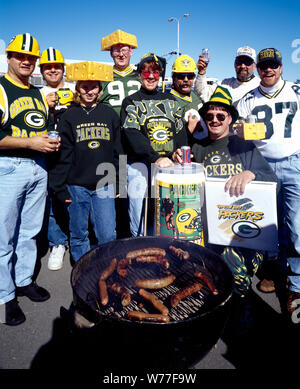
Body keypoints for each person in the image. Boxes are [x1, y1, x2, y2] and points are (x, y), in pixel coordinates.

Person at [173, 86, 279, 301]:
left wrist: (251, 173)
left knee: (232, 273)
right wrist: (176, 160)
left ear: (230, 118)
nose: (215, 120)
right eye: (210, 116)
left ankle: (239, 315)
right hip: (210, 230)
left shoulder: (243, 146)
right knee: (192, 269)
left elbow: (274, 182)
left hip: (244, 234)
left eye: (221, 115)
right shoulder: (198, 148)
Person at [0, 33, 59, 326]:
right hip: (8, 167)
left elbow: (45, 128)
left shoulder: (37, 93)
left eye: (30, 57)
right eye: (20, 56)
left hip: (38, 167)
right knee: (3, 237)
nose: (26, 61)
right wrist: (31, 143)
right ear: (9, 57)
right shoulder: (0, 87)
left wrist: (49, 141)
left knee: (30, 231)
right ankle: (3, 297)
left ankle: (23, 280)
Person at [237, 48, 300, 318]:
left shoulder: (296, 91)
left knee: (296, 225)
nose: (268, 70)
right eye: (263, 66)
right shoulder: (248, 99)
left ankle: (296, 285)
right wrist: (238, 130)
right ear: (258, 69)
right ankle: (273, 272)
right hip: (261, 167)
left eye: (273, 65)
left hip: (293, 162)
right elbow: (235, 130)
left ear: (281, 67)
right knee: (266, 226)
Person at [49, 66, 122, 263]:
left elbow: (119, 149)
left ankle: (106, 268)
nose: (89, 91)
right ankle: (83, 268)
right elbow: (62, 155)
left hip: (104, 183)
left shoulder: (109, 114)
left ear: (100, 90)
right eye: (84, 87)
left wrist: (121, 181)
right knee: (79, 232)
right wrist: (59, 187)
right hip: (76, 184)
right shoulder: (69, 117)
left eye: (93, 87)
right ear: (78, 89)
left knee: (107, 234)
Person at [121, 53, 188, 236]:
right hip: (140, 165)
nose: (151, 76)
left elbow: (180, 132)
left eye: (156, 72)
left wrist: (176, 153)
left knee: (168, 214)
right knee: (140, 217)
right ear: (140, 74)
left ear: (161, 75)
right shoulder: (130, 101)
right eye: (146, 72)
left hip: (167, 166)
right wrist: (156, 157)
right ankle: (140, 250)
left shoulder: (172, 101)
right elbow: (131, 133)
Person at [100, 30, 141, 238]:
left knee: (136, 191)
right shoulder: (103, 76)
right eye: (116, 50)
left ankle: (131, 232)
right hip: (112, 143)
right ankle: (115, 233)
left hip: (136, 144)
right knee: (113, 189)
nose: (121, 54)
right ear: (110, 53)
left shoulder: (141, 75)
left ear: (132, 51)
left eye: (124, 49)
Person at [40, 47, 75, 271]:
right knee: (54, 197)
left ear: (63, 69)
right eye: (48, 67)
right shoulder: (37, 93)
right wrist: (48, 109)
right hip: (49, 152)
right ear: (42, 70)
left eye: (57, 67)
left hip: (74, 153)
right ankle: (57, 243)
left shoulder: (73, 90)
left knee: (77, 196)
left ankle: (78, 237)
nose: (53, 70)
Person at [194, 46, 260, 106]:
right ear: (234, 64)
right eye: (239, 62)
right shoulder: (224, 84)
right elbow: (202, 93)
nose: (242, 66)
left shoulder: (260, 85)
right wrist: (201, 72)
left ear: (254, 65)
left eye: (247, 62)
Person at [170, 54, 207, 140]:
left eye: (190, 76)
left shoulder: (195, 94)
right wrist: (189, 129)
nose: (186, 79)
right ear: (173, 78)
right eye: (181, 76)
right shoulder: (168, 102)